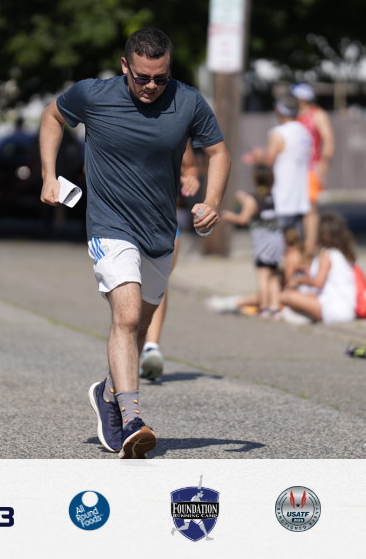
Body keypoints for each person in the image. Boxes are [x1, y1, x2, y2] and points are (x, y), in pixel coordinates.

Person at [39, 28, 230, 459]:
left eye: (160, 78)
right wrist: (49, 175)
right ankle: (132, 418)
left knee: (140, 326)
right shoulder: (93, 95)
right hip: (109, 225)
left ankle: (108, 394)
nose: (151, 86)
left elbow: (218, 152)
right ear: (125, 65)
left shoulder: (188, 101)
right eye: (142, 77)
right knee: (125, 316)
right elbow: (52, 117)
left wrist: (213, 201)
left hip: (159, 231)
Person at [138, 144, 200, 381]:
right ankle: (132, 343)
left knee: (159, 282)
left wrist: (190, 178)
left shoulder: (176, 130)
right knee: (127, 285)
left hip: (164, 220)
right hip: (123, 220)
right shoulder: (118, 124)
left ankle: (151, 347)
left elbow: (190, 167)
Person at [218, 164, 284, 318]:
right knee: (273, 274)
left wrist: (228, 216)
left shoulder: (252, 199)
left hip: (263, 243)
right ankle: (274, 307)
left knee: (262, 274)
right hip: (277, 240)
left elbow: (243, 219)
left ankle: (265, 307)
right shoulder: (274, 197)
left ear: (255, 180)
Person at [278, 212, 358, 324]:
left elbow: (318, 282)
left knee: (286, 296)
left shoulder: (326, 254)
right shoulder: (344, 254)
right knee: (298, 296)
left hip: (332, 309)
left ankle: (263, 305)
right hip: (348, 309)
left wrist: (300, 280)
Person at [249, 98, 312, 236]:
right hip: (301, 197)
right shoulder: (305, 132)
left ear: (279, 111)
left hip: (282, 198)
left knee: (280, 243)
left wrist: (258, 155)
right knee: (296, 242)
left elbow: (269, 160)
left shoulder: (278, 133)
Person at [290, 83, 335, 253]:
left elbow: (328, 139)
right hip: (292, 168)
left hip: (310, 167)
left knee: (310, 208)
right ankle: (294, 244)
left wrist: (324, 162)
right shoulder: (292, 114)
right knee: (292, 207)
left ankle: (310, 245)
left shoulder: (317, 114)